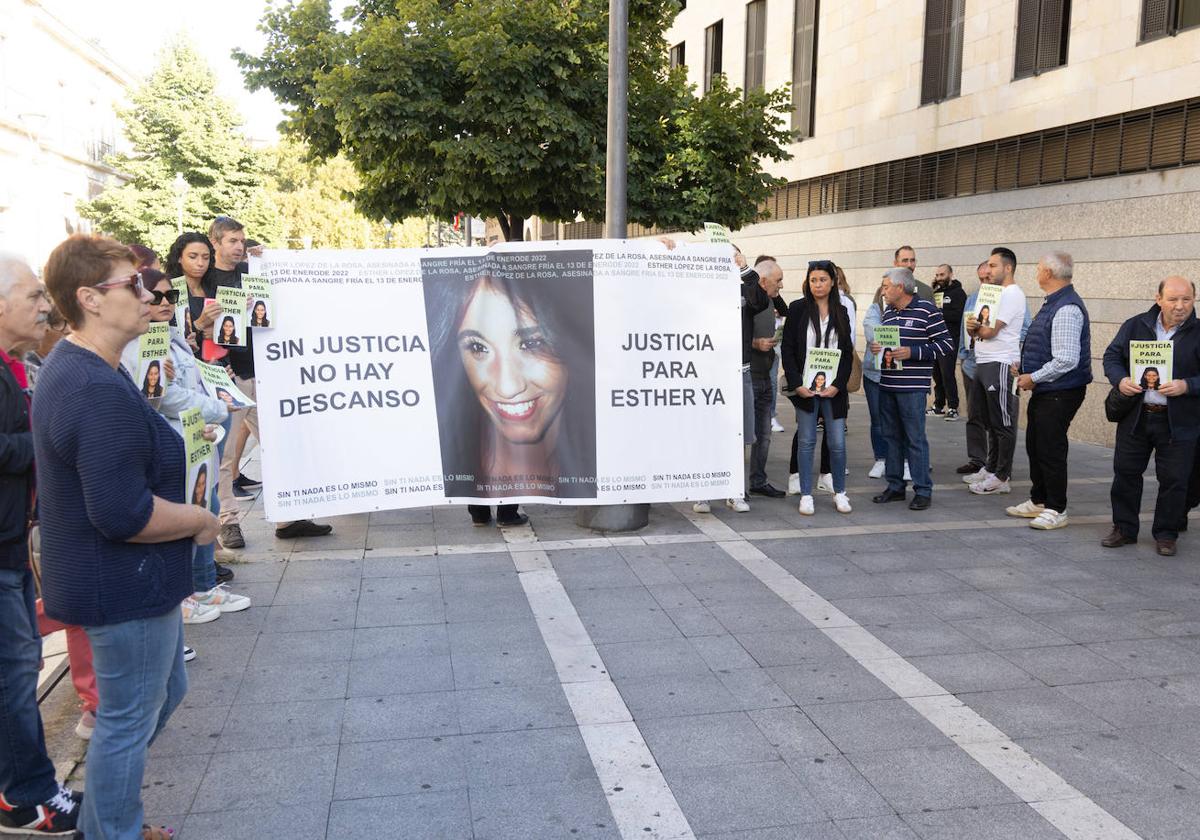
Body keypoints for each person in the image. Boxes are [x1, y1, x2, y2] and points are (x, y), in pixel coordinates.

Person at [36, 234, 221, 840]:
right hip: (119, 585)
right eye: (132, 285)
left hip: (128, 584)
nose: (148, 296)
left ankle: (109, 816)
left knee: (160, 695)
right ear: (89, 298)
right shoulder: (91, 385)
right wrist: (198, 520)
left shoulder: (91, 368)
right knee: (127, 717)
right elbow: (122, 514)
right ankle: (112, 828)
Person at [0, 254, 84, 836]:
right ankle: (28, 798)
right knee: (13, 673)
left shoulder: (17, 363)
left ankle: (29, 787)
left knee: (18, 666)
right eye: (33, 296)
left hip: (11, 543)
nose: (45, 307)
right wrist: (45, 439)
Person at [120, 271, 248, 621]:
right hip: (174, 438)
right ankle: (186, 595)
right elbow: (164, 396)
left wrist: (218, 396)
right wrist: (219, 407)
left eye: (169, 297)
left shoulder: (171, 335)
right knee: (187, 515)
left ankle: (203, 588)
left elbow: (191, 381)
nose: (162, 303)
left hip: (195, 435)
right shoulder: (140, 342)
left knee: (205, 506)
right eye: (155, 296)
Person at [424, 258, 596, 505]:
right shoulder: (440, 461)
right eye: (477, 347)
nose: (508, 387)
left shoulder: (604, 455)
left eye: (531, 344)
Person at [1102, 276, 1200, 556]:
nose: (1180, 306)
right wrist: (1120, 380)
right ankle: (1123, 528)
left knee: (1175, 479)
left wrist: (1187, 385)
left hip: (1179, 421)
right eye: (1173, 299)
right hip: (1137, 415)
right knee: (1125, 474)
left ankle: (1167, 534)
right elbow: (1111, 356)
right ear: (1159, 299)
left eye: (1187, 300)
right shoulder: (1136, 325)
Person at [1008, 252, 1092, 531]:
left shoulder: (1066, 307)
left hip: (1060, 391)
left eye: (1039, 268)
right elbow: (1049, 348)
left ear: (1048, 274)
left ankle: (1057, 508)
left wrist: (1034, 376)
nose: (1036, 272)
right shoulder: (1053, 303)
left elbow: (1067, 359)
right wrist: (1026, 366)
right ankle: (1040, 500)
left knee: (1050, 449)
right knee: (1035, 444)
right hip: (1047, 388)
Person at [694, 244, 769, 514]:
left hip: (740, 371)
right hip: (708, 372)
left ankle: (735, 491)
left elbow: (761, 302)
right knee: (707, 433)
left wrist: (746, 270)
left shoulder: (744, 288)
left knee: (740, 435)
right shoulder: (700, 288)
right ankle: (703, 492)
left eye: (731, 256)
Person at [870, 268, 953, 510]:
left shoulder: (927, 310)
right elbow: (889, 347)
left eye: (886, 286)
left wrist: (912, 352)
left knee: (915, 439)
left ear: (901, 287)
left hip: (913, 388)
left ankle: (923, 490)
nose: (883, 291)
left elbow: (946, 345)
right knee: (891, 438)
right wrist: (879, 350)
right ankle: (895, 486)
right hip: (887, 384)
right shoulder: (889, 313)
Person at [782, 260, 854, 515]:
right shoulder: (798, 308)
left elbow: (847, 352)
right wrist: (796, 383)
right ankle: (805, 494)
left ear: (832, 281)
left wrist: (837, 385)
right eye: (813, 280)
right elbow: (788, 349)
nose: (818, 284)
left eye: (823, 279)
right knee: (806, 440)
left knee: (837, 443)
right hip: (806, 388)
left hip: (833, 389)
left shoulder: (841, 311)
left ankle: (840, 492)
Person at [963, 247, 1027, 495]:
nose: (988, 270)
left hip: (1000, 362)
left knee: (1003, 422)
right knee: (989, 420)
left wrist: (975, 328)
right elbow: (976, 330)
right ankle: (990, 468)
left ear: (1008, 268)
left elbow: (989, 331)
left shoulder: (1012, 294)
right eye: (988, 266)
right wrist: (973, 327)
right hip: (983, 359)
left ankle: (1002, 476)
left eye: (993, 266)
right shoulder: (993, 293)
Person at [748, 258, 786, 498]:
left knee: (764, 434)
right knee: (744, 433)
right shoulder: (745, 302)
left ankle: (758, 480)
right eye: (778, 280)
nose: (781, 285)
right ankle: (733, 486)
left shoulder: (771, 300)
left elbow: (787, 311)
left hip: (765, 373)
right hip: (748, 376)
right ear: (762, 281)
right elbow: (732, 336)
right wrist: (755, 343)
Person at [955, 262, 991, 475]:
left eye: (988, 277)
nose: (985, 281)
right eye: (981, 278)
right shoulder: (972, 298)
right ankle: (977, 459)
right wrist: (962, 353)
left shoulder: (1010, 298)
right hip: (971, 362)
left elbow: (1023, 330)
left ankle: (997, 464)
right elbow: (964, 327)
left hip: (995, 363)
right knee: (974, 414)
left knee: (996, 418)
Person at [861, 278, 891, 479]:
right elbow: (874, 333)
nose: (886, 291)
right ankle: (881, 459)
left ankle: (904, 459)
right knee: (878, 419)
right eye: (884, 287)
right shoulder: (874, 309)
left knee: (900, 419)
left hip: (899, 374)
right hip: (875, 374)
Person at [929, 263, 966, 419]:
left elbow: (959, 316)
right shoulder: (936, 292)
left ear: (950, 274)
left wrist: (940, 314)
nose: (939, 278)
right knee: (936, 373)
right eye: (937, 275)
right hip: (934, 340)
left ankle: (953, 407)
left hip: (950, 340)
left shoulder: (958, 293)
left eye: (942, 275)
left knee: (947, 373)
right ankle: (938, 405)